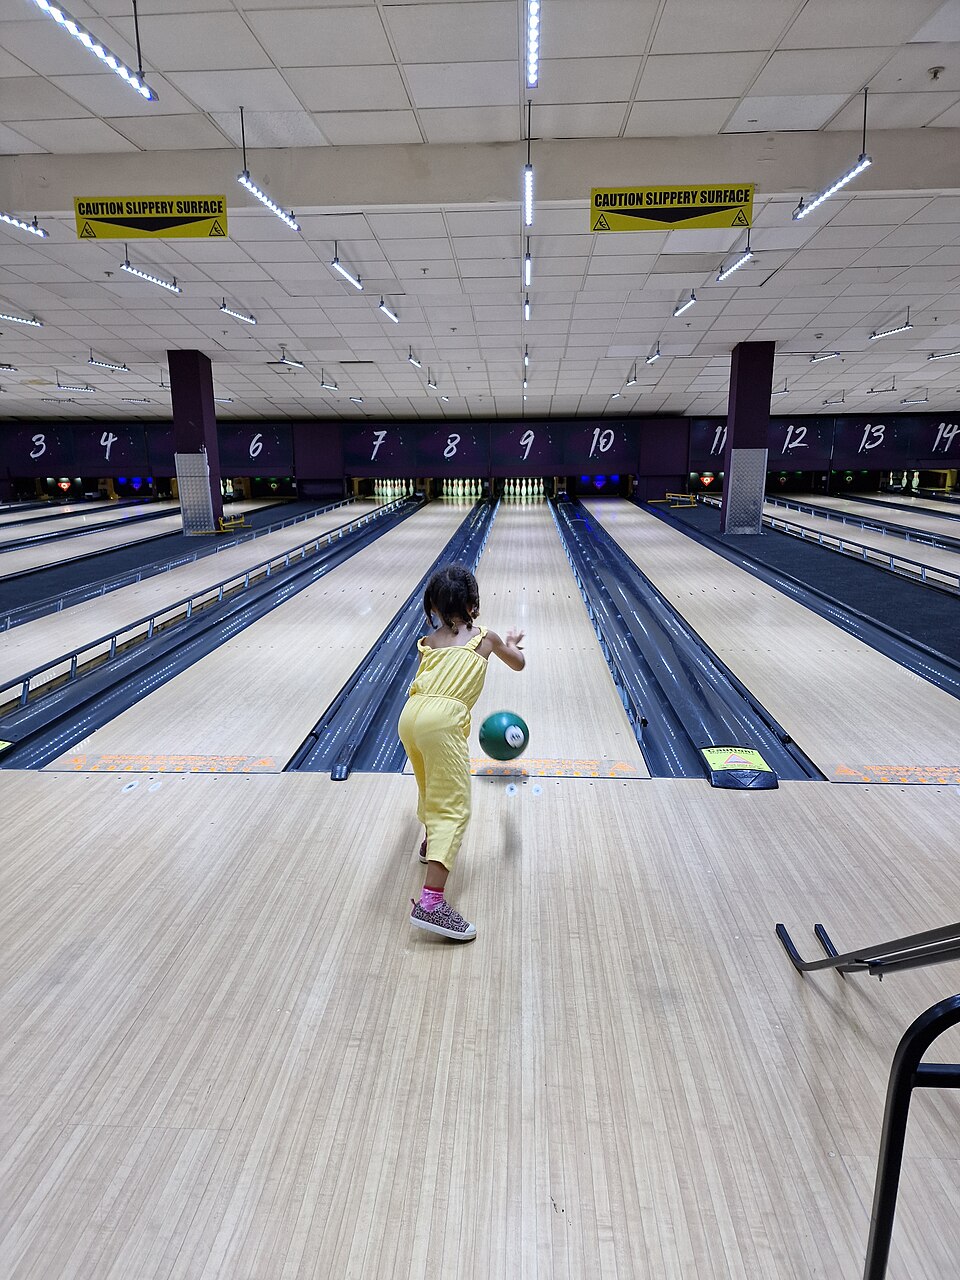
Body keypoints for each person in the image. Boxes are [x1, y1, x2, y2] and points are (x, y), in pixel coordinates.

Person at [398, 563, 525, 941]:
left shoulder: (431, 641)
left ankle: (428, 842)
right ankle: (432, 904)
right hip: (442, 722)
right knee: (454, 807)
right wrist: (513, 643)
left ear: (434, 606)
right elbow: (518, 664)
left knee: (428, 786)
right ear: (473, 603)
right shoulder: (484, 637)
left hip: (410, 717)